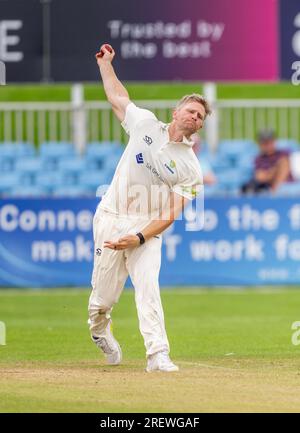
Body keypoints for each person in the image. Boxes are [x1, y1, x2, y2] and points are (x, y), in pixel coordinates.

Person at [88, 43, 211, 372]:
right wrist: (105, 65)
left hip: (147, 229)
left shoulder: (191, 168)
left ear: (200, 127)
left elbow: (170, 214)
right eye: (191, 110)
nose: (194, 117)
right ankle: (101, 332)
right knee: (102, 302)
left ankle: (158, 355)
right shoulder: (144, 124)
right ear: (176, 111)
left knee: (148, 286)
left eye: (200, 116)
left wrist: (140, 237)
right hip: (111, 217)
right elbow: (118, 99)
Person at [241, 129, 294, 194]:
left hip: (285, 184)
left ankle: (275, 191)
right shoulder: (259, 159)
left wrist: (271, 173)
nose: (267, 145)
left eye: (269, 142)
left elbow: (285, 166)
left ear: (274, 142)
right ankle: (274, 192)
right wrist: (275, 170)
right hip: (268, 186)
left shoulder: (283, 153)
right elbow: (260, 177)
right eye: (264, 143)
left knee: (283, 163)